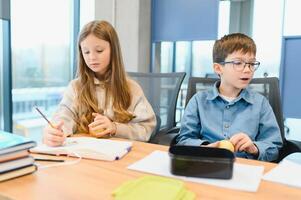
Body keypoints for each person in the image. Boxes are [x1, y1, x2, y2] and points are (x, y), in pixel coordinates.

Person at [43, 20, 156, 146]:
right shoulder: (75, 88)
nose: (92, 57)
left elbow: (146, 129)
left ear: (113, 50)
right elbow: (64, 116)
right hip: (87, 157)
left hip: (121, 157)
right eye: (86, 52)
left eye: (99, 50)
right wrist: (56, 132)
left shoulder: (131, 89)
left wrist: (115, 128)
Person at [176, 33, 283, 161]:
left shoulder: (261, 104)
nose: (248, 69)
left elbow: (274, 147)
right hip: (207, 164)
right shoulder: (198, 101)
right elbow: (184, 140)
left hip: (246, 169)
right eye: (238, 63)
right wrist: (205, 148)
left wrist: (254, 148)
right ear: (218, 68)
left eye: (252, 64)